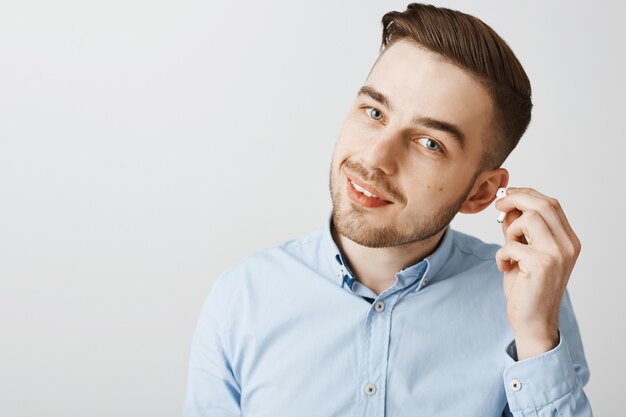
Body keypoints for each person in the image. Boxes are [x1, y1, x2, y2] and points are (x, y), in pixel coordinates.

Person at [183, 3, 592, 416]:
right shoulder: (241, 298)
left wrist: (537, 337)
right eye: (374, 112)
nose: (376, 157)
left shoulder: (530, 304)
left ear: (480, 193)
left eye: (429, 142)